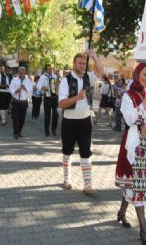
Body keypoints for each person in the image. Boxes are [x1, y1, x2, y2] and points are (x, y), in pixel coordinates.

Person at [115, 63, 146, 245]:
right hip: (133, 144)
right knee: (136, 188)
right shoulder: (129, 95)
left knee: (137, 187)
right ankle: (144, 232)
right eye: (144, 73)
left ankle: (121, 212)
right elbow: (128, 118)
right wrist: (144, 104)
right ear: (136, 74)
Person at [58, 50, 103, 195]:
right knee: (67, 151)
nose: (83, 66)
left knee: (86, 152)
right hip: (69, 121)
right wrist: (77, 98)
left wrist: (94, 56)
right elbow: (62, 104)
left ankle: (88, 185)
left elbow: (100, 71)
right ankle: (67, 179)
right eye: (80, 63)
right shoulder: (65, 80)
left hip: (85, 120)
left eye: (84, 63)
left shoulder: (89, 77)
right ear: (74, 64)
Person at [9, 67, 32, 139]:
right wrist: (15, 91)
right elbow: (10, 88)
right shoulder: (14, 79)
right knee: (16, 118)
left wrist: (25, 88)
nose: (22, 75)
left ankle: (19, 132)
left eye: (23, 73)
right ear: (18, 73)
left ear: (25, 73)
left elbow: (30, 90)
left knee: (22, 119)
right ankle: (15, 133)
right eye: (20, 73)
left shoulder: (28, 81)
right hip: (16, 101)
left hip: (24, 102)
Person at [37, 64, 59, 136]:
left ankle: (53, 129)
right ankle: (47, 130)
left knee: (55, 113)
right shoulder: (43, 77)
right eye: (48, 69)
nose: (50, 70)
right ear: (46, 70)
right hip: (47, 97)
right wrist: (43, 87)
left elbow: (58, 84)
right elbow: (38, 85)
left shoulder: (54, 76)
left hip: (54, 97)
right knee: (47, 114)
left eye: (50, 68)